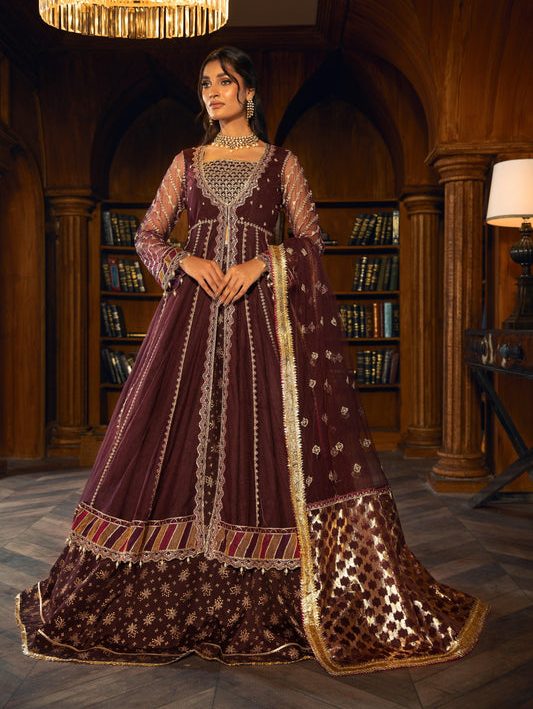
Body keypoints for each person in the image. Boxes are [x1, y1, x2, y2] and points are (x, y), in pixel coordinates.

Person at [16, 46, 488, 674]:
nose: (213, 92)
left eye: (226, 81)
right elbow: (147, 235)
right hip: (188, 320)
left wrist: (261, 262)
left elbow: (312, 242)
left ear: (250, 93)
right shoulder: (185, 164)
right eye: (206, 83)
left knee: (260, 436)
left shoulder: (280, 164)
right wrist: (186, 259)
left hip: (262, 322)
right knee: (162, 432)